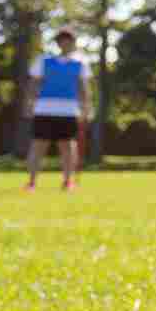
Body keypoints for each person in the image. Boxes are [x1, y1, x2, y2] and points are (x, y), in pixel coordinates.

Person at [24, 27, 92, 192]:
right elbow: (33, 84)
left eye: (69, 40)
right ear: (58, 43)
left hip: (69, 110)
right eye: (62, 40)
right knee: (38, 146)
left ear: (73, 43)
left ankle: (68, 181)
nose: (66, 43)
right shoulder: (44, 60)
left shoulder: (80, 63)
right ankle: (32, 182)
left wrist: (87, 108)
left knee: (68, 147)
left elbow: (84, 88)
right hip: (44, 109)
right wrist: (29, 104)